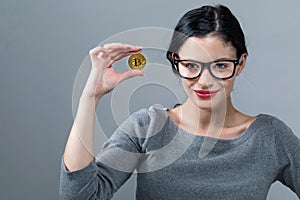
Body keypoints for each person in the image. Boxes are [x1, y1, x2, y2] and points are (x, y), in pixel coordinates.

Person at [59, 4, 300, 200]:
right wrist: (90, 97)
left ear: (241, 63)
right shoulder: (148, 127)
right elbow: (80, 197)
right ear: (176, 62)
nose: (205, 81)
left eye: (220, 66)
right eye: (191, 65)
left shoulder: (270, 137)